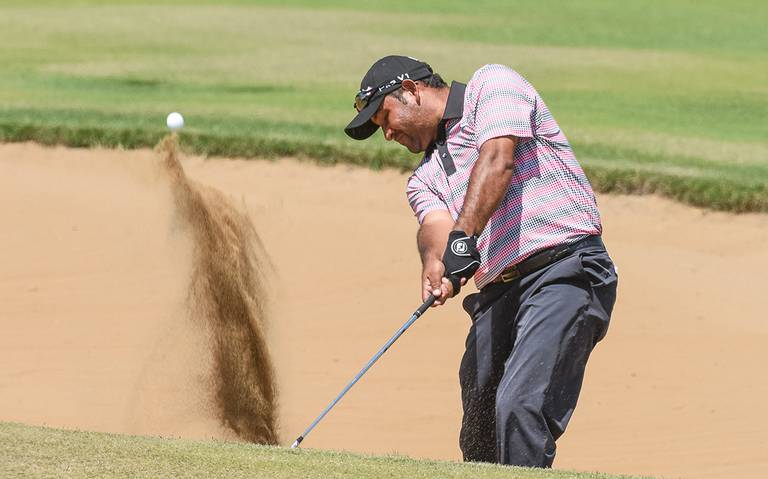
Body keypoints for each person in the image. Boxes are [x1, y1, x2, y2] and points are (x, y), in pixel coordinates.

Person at [344, 55, 618, 468]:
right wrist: (436, 262)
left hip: (564, 269)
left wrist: (463, 237)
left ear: (412, 91)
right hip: (498, 293)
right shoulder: (423, 179)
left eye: (385, 117)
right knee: (480, 425)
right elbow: (435, 227)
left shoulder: (492, 86)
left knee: (520, 404)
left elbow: (498, 160)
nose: (387, 134)